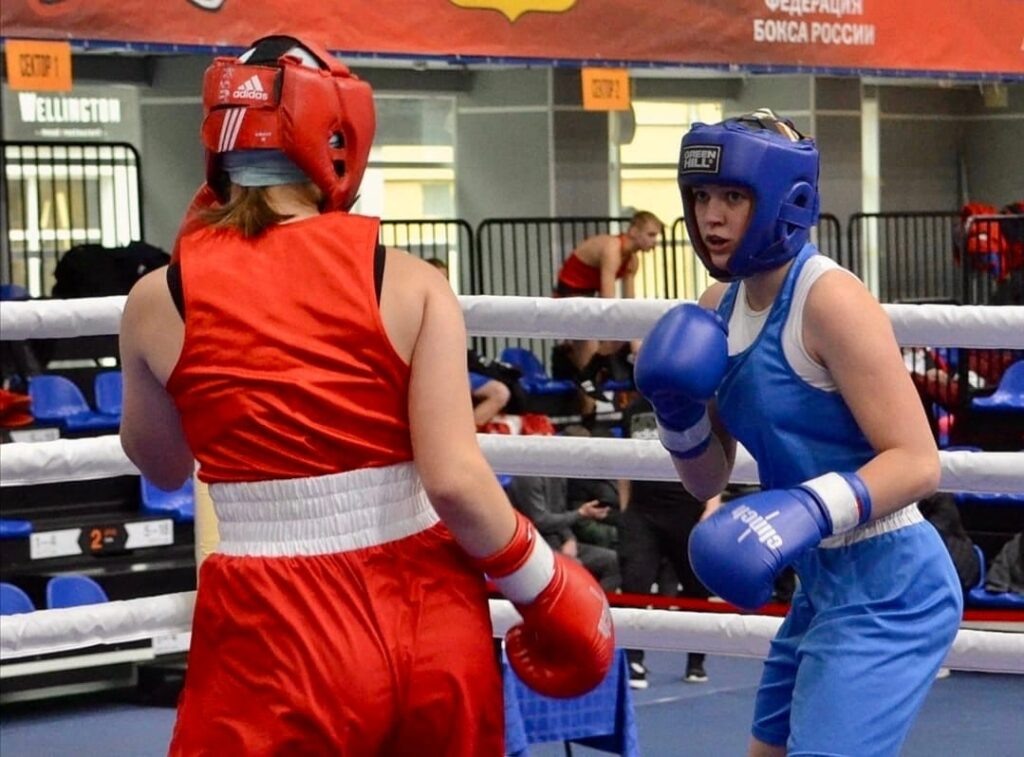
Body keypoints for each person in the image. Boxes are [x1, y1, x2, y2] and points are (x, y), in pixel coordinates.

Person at [117, 35, 613, 755]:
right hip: (425, 613)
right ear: (338, 133)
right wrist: (547, 586)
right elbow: (455, 481)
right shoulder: (408, 281)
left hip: (271, 630)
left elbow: (162, 465)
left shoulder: (158, 299)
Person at [635, 108, 962, 756]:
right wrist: (678, 415)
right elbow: (707, 478)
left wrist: (806, 506)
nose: (712, 217)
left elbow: (919, 462)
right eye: (701, 196)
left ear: (786, 199)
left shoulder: (830, 300)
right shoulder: (715, 308)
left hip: (891, 583)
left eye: (733, 197)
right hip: (819, 579)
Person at [618, 394, 715, 689]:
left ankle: (696, 660)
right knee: (634, 583)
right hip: (642, 511)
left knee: (695, 589)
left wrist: (712, 504)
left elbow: (716, 451)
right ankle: (633, 660)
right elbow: (624, 459)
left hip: (687, 508)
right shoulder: (633, 409)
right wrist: (625, 509)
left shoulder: (695, 401)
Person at [552, 211, 664, 401]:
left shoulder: (632, 261)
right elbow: (608, 300)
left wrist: (634, 340)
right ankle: (585, 377)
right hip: (568, 296)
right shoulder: (612, 249)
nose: (654, 242)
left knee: (620, 338)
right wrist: (618, 333)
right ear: (634, 231)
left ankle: (588, 375)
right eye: (651, 235)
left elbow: (630, 304)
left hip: (588, 297)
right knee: (594, 349)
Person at [424, 256, 516, 427]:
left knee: (500, 392)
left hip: (453, 369)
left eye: (444, 279)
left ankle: (465, 435)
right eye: (436, 278)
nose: (441, 284)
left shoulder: (453, 305)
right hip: (425, 371)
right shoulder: (414, 306)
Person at [505, 472, 621, 593]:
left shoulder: (559, 475)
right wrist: (580, 514)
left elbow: (560, 514)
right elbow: (540, 521)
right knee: (572, 567)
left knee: (613, 561)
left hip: (557, 541)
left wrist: (570, 539)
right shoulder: (528, 477)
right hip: (534, 547)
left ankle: (596, 603)